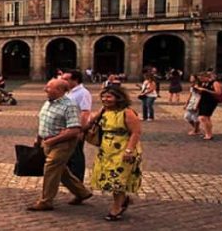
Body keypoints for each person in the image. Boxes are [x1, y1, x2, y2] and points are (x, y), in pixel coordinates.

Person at [26, 79, 93, 211]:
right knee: (62, 171)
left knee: (50, 168)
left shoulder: (70, 106)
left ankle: (46, 201)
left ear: (60, 90)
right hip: (47, 141)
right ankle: (82, 193)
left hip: (63, 144)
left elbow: (74, 129)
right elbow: (43, 121)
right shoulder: (48, 102)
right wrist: (38, 138)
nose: (45, 90)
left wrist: (54, 140)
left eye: (48, 88)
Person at [86, 85, 143, 221]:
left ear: (118, 98)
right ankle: (122, 200)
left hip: (123, 149)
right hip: (106, 149)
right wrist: (99, 112)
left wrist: (129, 150)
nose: (105, 99)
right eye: (103, 97)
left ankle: (117, 207)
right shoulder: (105, 111)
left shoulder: (127, 112)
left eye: (109, 97)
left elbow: (136, 132)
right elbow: (90, 122)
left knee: (117, 179)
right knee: (109, 178)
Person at [62, 70, 92, 182]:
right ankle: (69, 178)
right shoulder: (69, 92)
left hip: (76, 128)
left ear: (75, 80)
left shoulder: (83, 93)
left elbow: (85, 112)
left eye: (66, 79)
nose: (63, 81)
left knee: (76, 155)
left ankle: (77, 179)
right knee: (68, 154)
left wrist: (81, 130)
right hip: (67, 128)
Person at [193, 70, 222, 140]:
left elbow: (218, 93)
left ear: (206, 77)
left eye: (201, 78)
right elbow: (201, 93)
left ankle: (209, 134)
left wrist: (205, 90)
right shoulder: (204, 83)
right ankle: (208, 133)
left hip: (211, 101)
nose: (200, 80)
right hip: (203, 101)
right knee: (206, 118)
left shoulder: (214, 83)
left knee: (202, 118)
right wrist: (198, 90)